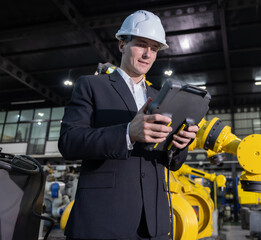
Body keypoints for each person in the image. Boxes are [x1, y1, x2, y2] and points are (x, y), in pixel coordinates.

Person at [58, 10, 199, 240]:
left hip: (154, 223)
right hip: (103, 221)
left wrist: (180, 145)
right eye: (141, 45)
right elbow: (69, 142)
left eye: (154, 49)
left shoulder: (162, 96)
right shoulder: (92, 86)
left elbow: (171, 163)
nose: (147, 54)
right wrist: (127, 133)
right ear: (122, 44)